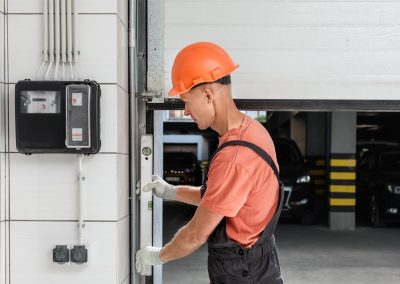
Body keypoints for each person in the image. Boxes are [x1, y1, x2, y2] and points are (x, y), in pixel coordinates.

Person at [136, 42, 284, 283]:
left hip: (243, 272)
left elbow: (196, 234)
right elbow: (220, 199)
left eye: (186, 101)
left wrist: (159, 256)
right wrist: (172, 192)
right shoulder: (253, 131)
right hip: (261, 262)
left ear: (207, 95)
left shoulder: (233, 158)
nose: (185, 111)